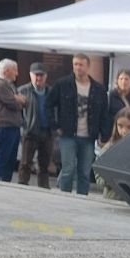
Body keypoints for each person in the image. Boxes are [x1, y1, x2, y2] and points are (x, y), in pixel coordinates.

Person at [49, 52, 111, 196]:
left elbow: (103, 113)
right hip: (68, 134)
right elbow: (49, 105)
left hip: (88, 136)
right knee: (68, 169)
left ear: (88, 67)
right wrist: (55, 125)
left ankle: (82, 198)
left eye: (81, 65)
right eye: (75, 64)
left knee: (84, 171)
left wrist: (104, 134)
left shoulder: (98, 89)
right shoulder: (62, 84)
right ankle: (64, 197)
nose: (78, 68)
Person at [96, 106, 130, 199]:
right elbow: (99, 173)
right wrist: (114, 180)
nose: (124, 131)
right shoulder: (109, 148)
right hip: (113, 198)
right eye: (120, 126)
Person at [16, 63, 53, 187]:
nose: (39, 78)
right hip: (30, 131)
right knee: (26, 162)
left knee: (44, 164)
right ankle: (22, 185)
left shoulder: (50, 91)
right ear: (30, 76)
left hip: (47, 131)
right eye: (36, 75)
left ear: (46, 76)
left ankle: (44, 188)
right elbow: (17, 111)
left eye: (41, 75)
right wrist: (23, 124)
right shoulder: (23, 90)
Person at [0, 59, 24, 182]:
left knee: (11, 156)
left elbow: (24, 100)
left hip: (14, 124)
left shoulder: (10, 85)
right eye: (15, 70)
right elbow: (12, 103)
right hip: (4, 124)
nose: (17, 73)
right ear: (6, 70)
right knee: (2, 154)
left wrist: (19, 100)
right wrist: (18, 101)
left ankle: (6, 180)